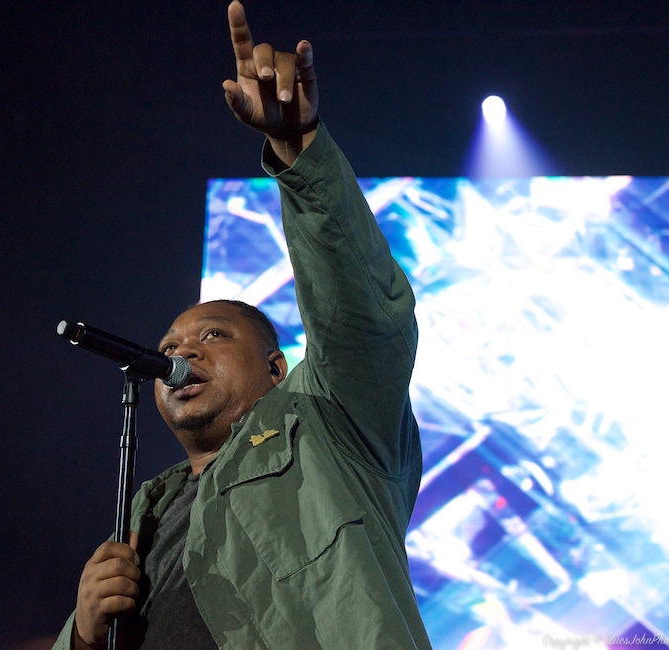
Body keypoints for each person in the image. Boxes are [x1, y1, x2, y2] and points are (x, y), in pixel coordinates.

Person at [53, 1, 430, 647]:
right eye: (170, 345)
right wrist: (83, 633)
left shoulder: (327, 427)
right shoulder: (144, 511)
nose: (181, 352)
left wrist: (297, 150)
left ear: (275, 368)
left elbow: (360, 316)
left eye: (213, 337)